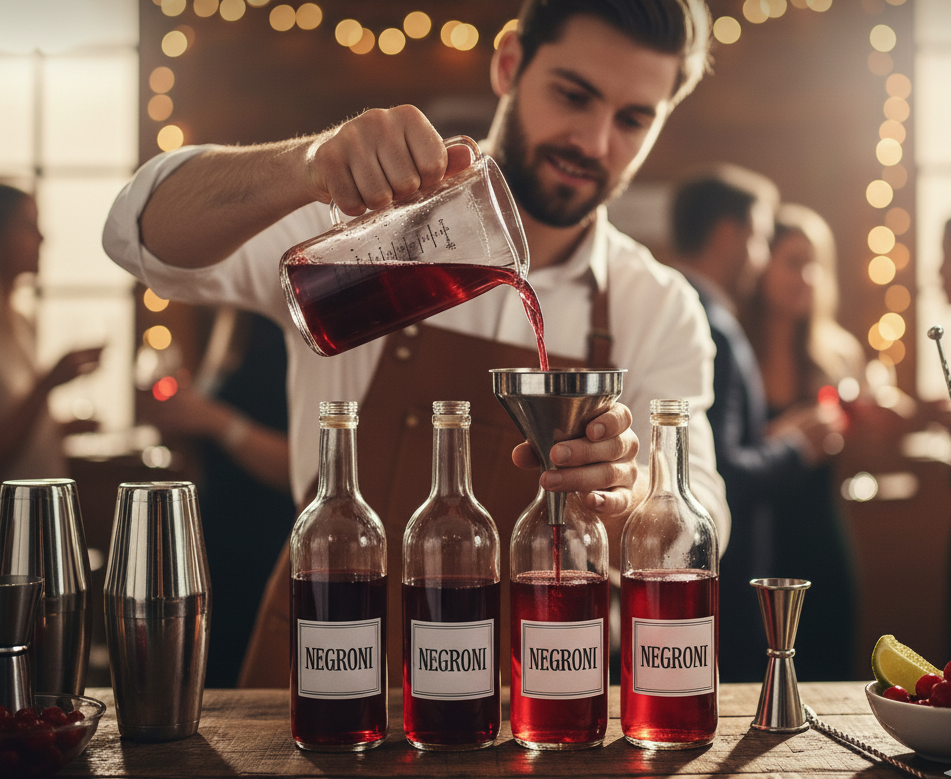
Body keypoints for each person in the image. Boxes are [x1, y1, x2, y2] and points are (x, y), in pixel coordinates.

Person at [103, 0, 730, 688]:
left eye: (632, 118)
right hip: (327, 675)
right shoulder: (368, 223)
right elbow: (138, 234)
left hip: (539, 702)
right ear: (509, 64)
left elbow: (701, 517)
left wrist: (630, 487)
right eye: (572, 95)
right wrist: (307, 164)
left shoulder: (657, 306)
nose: (593, 140)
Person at [669, 167, 846, 682]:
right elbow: (721, 472)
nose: (763, 255)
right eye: (762, 237)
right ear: (731, 234)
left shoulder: (681, 309)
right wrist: (796, 446)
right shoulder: (714, 326)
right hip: (728, 565)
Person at [741, 203, 863, 680]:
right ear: (762, 265)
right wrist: (787, 438)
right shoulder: (736, 352)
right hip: (760, 547)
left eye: (816, 264)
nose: (807, 276)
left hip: (823, 542)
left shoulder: (839, 356)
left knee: (831, 669)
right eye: (793, 261)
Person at [144, 309, 295, 687]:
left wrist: (214, 420)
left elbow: (299, 466)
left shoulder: (276, 331)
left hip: (262, 547)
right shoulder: (227, 322)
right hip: (221, 541)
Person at [0, 183, 102, 481]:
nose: (43, 238)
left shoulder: (21, 323)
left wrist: (63, 428)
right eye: (28, 225)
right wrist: (48, 383)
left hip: (38, 507)